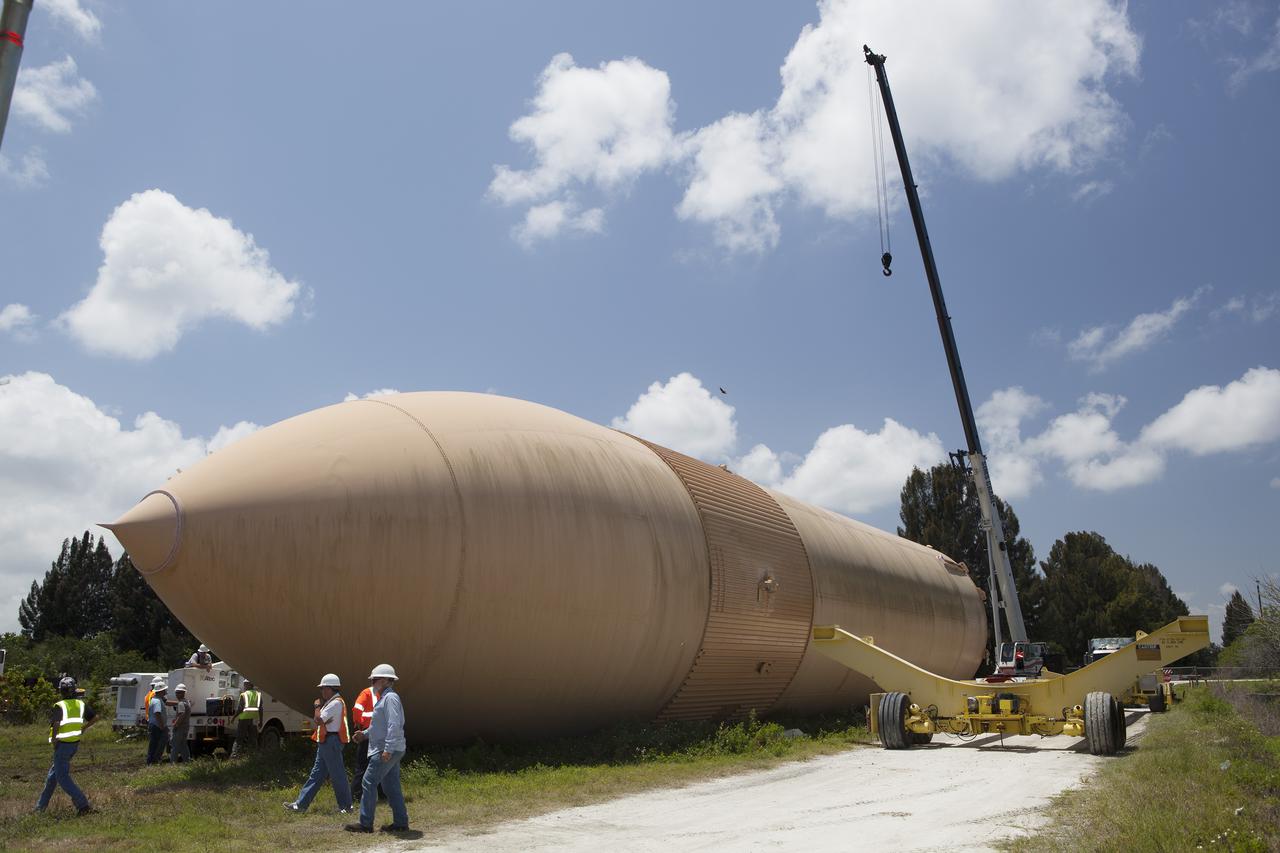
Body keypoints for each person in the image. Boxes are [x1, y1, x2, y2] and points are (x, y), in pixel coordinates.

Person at [345, 664, 408, 834]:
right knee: (391, 786)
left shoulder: (390, 699)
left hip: (385, 749)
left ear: (386, 680)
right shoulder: (385, 698)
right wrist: (364, 734)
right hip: (391, 748)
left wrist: (387, 749)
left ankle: (365, 824)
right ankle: (401, 823)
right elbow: (378, 726)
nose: (372, 682)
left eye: (374, 679)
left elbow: (393, 725)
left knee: (368, 781)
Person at [284, 673, 353, 814]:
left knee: (337, 775)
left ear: (331, 688)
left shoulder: (335, 703)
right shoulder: (333, 702)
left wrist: (317, 706)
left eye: (323, 688)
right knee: (316, 774)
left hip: (331, 742)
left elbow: (318, 719)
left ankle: (346, 806)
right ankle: (301, 805)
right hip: (327, 742)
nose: (322, 691)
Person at [34, 677, 96, 815]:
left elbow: (56, 724)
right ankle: (39, 808)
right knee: (52, 777)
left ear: (61, 691)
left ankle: (83, 805)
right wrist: (83, 728)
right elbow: (95, 717)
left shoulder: (60, 705)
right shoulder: (81, 704)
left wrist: (55, 739)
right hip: (73, 744)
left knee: (62, 777)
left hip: (62, 745)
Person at [349, 679, 383, 799]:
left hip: (367, 734)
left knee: (362, 766)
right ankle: (382, 794)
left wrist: (358, 723)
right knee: (380, 766)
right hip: (379, 735)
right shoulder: (385, 694)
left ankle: (356, 795)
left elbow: (357, 709)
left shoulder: (366, 693)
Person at [230, 679, 263, 758]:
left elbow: (240, 709)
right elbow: (261, 709)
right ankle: (253, 755)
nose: (244, 686)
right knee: (253, 738)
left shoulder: (243, 695)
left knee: (239, 738)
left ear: (249, 685)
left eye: (245, 684)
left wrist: (234, 717)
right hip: (254, 719)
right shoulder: (258, 695)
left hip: (244, 719)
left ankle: (235, 755)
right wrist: (261, 721)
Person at [146, 683, 169, 765]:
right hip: (157, 726)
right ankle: (153, 761)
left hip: (155, 725)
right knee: (157, 744)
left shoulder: (156, 699)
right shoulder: (157, 701)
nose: (166, 691)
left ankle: (152, 761)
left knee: (154, 744)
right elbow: (157, 713)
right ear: (161, 691)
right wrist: (162, 726)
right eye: (164, 690)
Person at [170, 684, 192, 763]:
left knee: (175, 745)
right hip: (185, 727)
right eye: (176, 692)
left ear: (183, 693)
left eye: (178, 692)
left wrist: (176, 724)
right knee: (183, 745)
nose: (177, 694)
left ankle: (172, 763)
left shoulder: (181, 703)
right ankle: (187, 761)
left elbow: (181, 714)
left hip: (180, 727)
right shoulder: (187, 702)